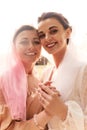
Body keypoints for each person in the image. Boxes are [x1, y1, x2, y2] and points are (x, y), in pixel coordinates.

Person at [37, 12, 87, 130]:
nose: (47, 38)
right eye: (42, 35)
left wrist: (62, 111)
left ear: (68, 32)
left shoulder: (83, 71)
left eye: (53, 31)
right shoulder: (45, 74)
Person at [0, 25, 53, 130]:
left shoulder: (40, 78)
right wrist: (48, 113)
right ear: (14, 47)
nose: (31, 46)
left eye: (36, 42)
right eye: (24, 42)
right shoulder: (5, 80)